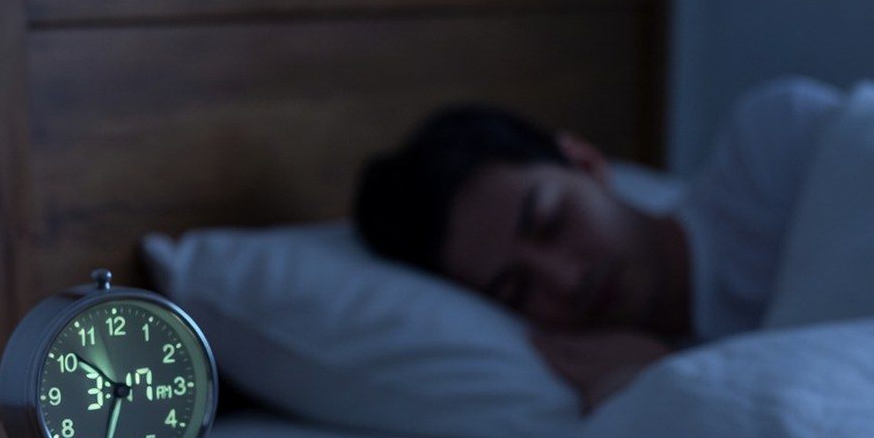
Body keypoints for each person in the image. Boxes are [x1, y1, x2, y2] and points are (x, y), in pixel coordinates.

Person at [354, 77, 843, 411]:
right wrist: (652, 386)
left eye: (551, 222)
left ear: (585, 162)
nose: (566, 280)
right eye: (517, 290)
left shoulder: (776, 148)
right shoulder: (627, 389)